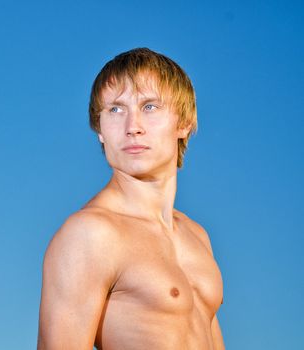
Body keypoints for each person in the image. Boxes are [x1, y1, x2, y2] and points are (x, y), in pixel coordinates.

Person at [37, 48, 225, 350]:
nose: (132, 127)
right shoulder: (89, 234)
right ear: (100, 130)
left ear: (184, 123)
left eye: (149, 107)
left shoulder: (197, 235)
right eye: (115, 110)